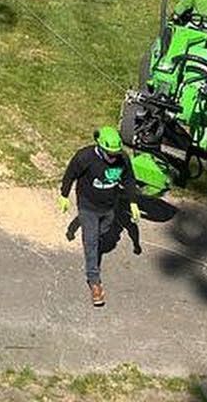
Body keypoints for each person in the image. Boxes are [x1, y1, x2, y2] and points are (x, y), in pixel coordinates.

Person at [59, 125, 141, 306]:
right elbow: (70, 175)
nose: (113, 158)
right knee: (91, 241)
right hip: (87, 205)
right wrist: (64, 195)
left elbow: (129, 180)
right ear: (100, 147)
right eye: (109, 154)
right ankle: (94, 282)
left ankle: (94, 240)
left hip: (109, 206)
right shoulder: (84, 157)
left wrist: (133, 202)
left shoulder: (122, 159)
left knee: (104, 229)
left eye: (115, 154)